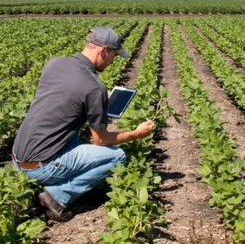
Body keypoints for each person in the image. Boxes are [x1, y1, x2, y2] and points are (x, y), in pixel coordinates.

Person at [12, 26, 155, 222]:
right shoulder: (93, 86)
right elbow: (100, 140)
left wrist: (98, 100)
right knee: (117, 156)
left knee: (73, 128)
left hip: (19, 157)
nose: (114, 61)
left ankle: (77, 183)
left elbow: (65, 96)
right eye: (114, 54)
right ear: (103, 50)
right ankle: (58, 196)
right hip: (41, 167)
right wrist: (136, 134)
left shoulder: (55, 63)